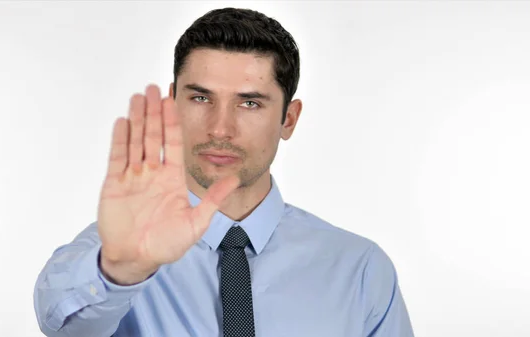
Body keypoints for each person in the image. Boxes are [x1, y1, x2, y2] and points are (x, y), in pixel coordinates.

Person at [33, 7, 414, 337]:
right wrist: (120, 271)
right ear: (172, 103)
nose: (219, 128)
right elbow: (62, 324)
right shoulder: (119, 249)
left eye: (249, 103)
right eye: (200, 98)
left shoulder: (360, 269)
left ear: (289, 119)